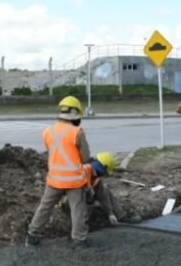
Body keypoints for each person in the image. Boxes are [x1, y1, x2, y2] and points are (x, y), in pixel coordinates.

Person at [27, 96, 92, 247]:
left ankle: (32, 235)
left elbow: (53, 152)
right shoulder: (77, 132)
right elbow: (86, 158)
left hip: (54, 179)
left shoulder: (47, 131)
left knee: (45, 206)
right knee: (77, 209)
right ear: (75, 114)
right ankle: (79, 240)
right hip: (74, 180)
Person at [85, 152, 141, 225]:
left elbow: (103, 194)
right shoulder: (81, 171)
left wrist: (110, 214)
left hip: (87, 195)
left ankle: (120, 216)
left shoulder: (95, 176)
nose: (102, 175)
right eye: (102, 173)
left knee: (105, 189)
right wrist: (90, 197)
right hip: (74, 198)